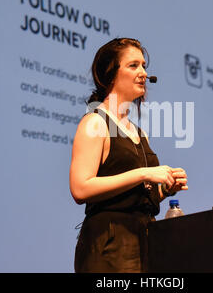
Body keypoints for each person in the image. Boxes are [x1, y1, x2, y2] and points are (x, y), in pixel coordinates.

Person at [69, 38, 188, 273]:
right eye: (133, 66)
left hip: (145, 242)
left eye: (143, 65)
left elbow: (134, 194)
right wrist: (143, 172)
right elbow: (80, 188)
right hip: (110, 247)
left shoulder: (139, 132)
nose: (143, 73)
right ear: (109, 74)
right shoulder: (95, 122)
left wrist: (165, 188)